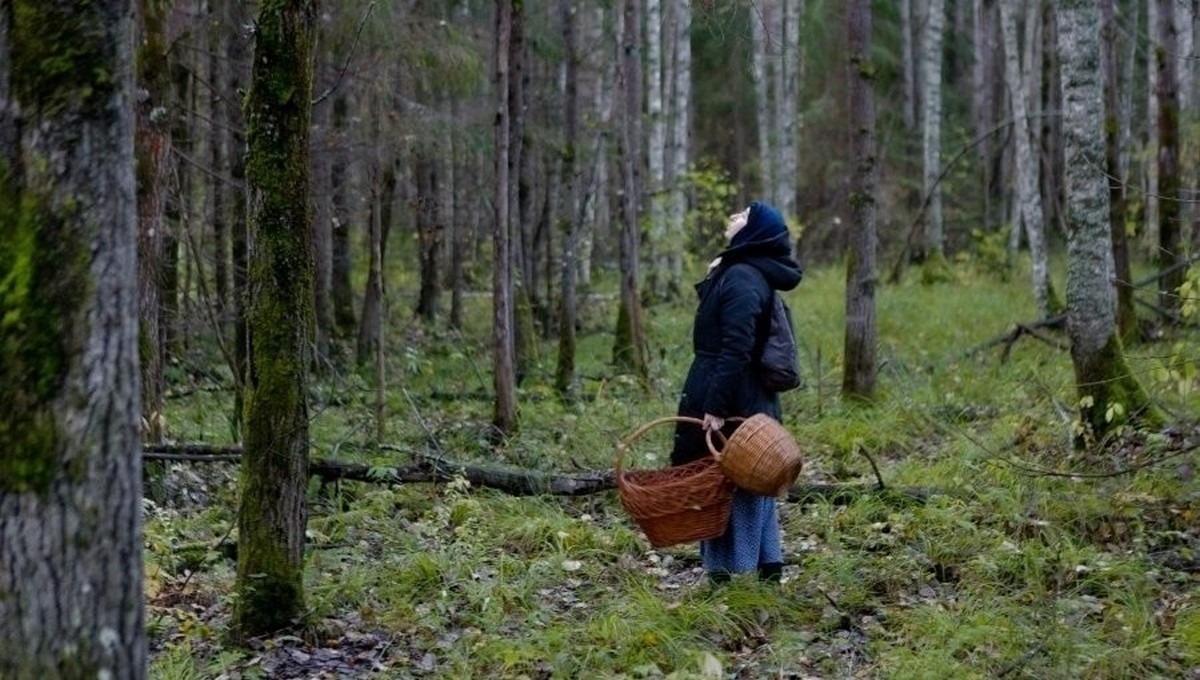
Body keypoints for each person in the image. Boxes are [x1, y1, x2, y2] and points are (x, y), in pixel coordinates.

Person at [670, 200, 803, 583]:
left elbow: (736, 349)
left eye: (742, 216)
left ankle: (733, 576)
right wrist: (716, 275)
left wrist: (715, 406)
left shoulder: (744, 277)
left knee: (734, 483)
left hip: (736, 395)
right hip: (738, 391)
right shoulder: (738, 272)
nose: (732, 218)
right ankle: (764, 568)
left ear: (753, 232)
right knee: (747, 479)